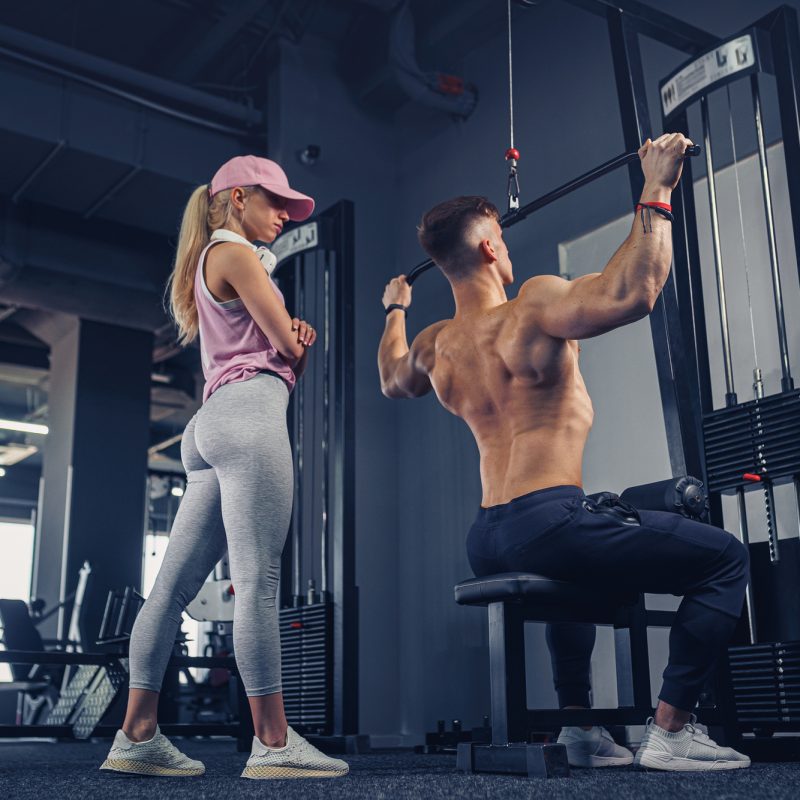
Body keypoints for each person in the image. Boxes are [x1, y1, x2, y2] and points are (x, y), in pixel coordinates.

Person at [378, 134, 750, 772]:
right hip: (549, 518)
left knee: (576, 575)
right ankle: (671, 728)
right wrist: (657, 186)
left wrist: (395, 311)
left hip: (488, 533)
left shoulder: (435, 344)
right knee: (725, 559)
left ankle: (579, 727)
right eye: (503, 235)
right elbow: (632, 292)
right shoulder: (533, 305)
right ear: (491, 246)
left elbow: (392, 378)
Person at [100, 155, 348, 780]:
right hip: (248, 421)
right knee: (258, 582)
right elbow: (289, 351)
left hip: (208, 427)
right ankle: (272, 742)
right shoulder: (234, 252)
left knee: (170, 592)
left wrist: (285, 332)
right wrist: (295, 339)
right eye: (275, 204)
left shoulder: (216, 258)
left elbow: (269, 337)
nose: (283, 217)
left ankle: (136, 734)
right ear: (237, 198)